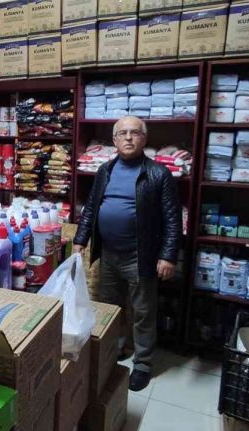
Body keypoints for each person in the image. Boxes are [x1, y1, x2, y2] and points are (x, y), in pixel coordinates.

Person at [73, 116, 181, 392]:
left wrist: (168, 256)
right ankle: (116, 349)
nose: (129, 138)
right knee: (110, 307)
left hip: (141, 256)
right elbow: (91, 208)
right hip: (109, 253)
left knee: (143, 311)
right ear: (114, 140)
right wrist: (80, 240)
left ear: (144, 138)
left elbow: (172, 220)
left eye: (135, 133)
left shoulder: (158, 174)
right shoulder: (105, 170)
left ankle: (142, 363)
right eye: (123, 133)